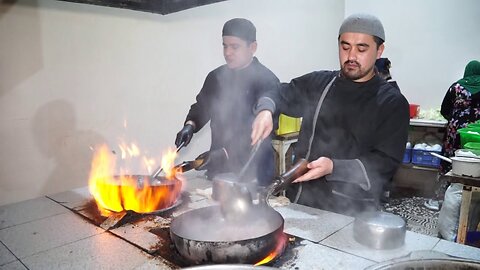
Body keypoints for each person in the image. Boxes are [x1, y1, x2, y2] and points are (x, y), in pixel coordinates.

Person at [251, 13, 409, 216]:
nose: (351, 56)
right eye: (345, 47)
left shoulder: (391, 102)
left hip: (352, 213)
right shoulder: (320, 84)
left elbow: (385, 164)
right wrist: (265, 109)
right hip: (300, 202)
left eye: (362, 48)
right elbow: (278, 92)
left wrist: (334, 167)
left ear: (380, 51)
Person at [175, 18, 280, 186]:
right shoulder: (216, 77)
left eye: (234, 47)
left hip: (254, 173)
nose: (227, 52)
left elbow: (263, 133)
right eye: (225, 46)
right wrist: (190, 125)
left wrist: (224, 153)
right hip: (219, 171)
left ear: (252, 47)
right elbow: (202, 107)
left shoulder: (267, 81)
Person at [424, 60, 480, 211]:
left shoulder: (456, 87)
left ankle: (439, 200)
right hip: (476, 137)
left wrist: (455, 119)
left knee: (448, 163)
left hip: (455, 133)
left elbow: (444, 109)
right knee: (473, 168)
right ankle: (468, 205)